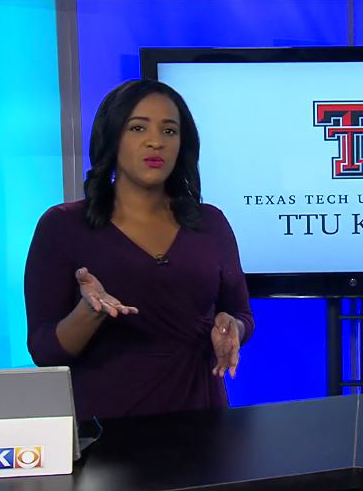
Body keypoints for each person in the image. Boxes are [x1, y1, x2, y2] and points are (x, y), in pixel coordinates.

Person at [25, 79, 254, 420]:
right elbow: (44, 350)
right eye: (137, 128)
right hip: (107, 436)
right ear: (112, 137)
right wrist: (91, 311)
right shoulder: (62, 226)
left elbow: (242, 314)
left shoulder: (210, 223)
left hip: (205, 429)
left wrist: (232, 328)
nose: (155, 142)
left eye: (170, 131)